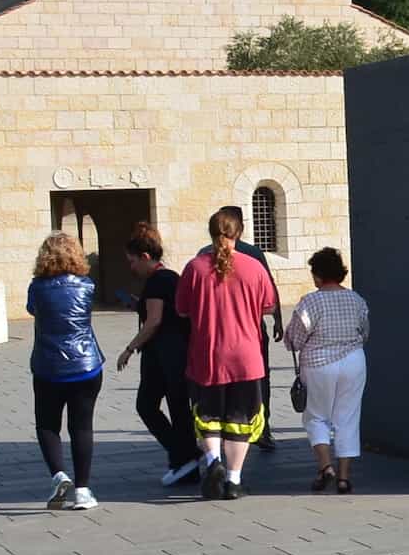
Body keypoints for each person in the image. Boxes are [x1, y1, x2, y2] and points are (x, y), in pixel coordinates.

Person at [177, 207, 279, 501]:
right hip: (246, 357)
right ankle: (234, 480)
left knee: (208, 416)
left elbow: (182, 309)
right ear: (240, 232)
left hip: (207, 355)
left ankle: (213, 463)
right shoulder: (254, 267)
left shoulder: (194, 268)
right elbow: (269, 305)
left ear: (211, 233)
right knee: (240, 419)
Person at [115, 223, 200, 486]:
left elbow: (154, 321)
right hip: (178, 351)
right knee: (178, 407)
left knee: (147, 405)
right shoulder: (171, 277)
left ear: (145, 257)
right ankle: (186, 461)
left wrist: (129, 349)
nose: (131, 268)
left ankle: (184, 456)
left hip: (163, 354)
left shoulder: (156, 282)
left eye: (132, 261)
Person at [283, 247, 371, 494]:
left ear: (318, 275)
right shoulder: (356, 299)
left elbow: (296, 340)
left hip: (319, 364)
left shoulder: (310, 301)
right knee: (348, 418)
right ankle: (344, 478)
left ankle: (325, 467)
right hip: (354, 361)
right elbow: (365, 333)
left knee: (316, 416)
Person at [26, 232, 104, 510]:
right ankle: (83, 491)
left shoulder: (37, 287)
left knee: (47, 424)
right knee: (81, 426)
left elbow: (33, 310)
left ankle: (58, 474)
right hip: (86, 365)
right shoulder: (87, 285)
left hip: (49, 367)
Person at [203, 208, 283, 452]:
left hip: (214, 336)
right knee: (260, 382)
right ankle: (262, 429)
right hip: (250, 334)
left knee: (215, 388)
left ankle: (220, 436)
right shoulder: (253, 255)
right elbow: (270, 292)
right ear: (240, 229)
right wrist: (277, 319)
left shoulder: (202, 257)